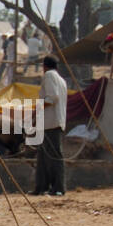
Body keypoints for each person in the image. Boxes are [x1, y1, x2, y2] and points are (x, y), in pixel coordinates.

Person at [33, 55, 68, 196]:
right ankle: (41, 187)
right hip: (51, 122)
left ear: (44, 66)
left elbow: (52, 98)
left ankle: (58, 187)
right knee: (43, 157)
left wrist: (38, 109)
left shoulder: (49, 76)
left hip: (50, 122)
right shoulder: (61, 80)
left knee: (53, 157)